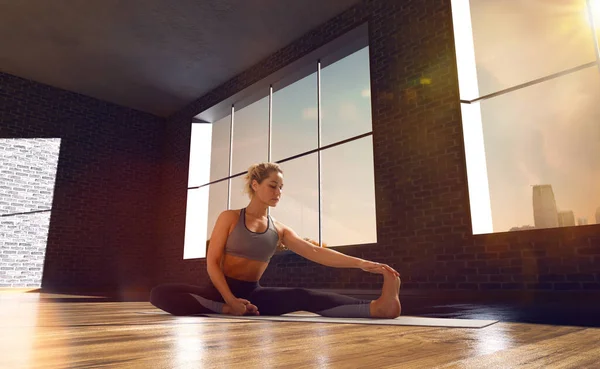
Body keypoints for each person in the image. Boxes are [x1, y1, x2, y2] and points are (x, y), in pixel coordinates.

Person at [150, 162, 401, 318]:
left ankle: (377, 308)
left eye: (281, 187)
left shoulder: (279, 230)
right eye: (273, 186)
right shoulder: (229, 217)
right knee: (160, 293)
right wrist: (229, 301)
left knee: (304, 295)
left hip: (255, 297)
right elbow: (212, 263)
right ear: (256, 185)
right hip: (217, 292)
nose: (278, 192)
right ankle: (226, 311)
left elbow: (316, 253)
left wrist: (360, 263)